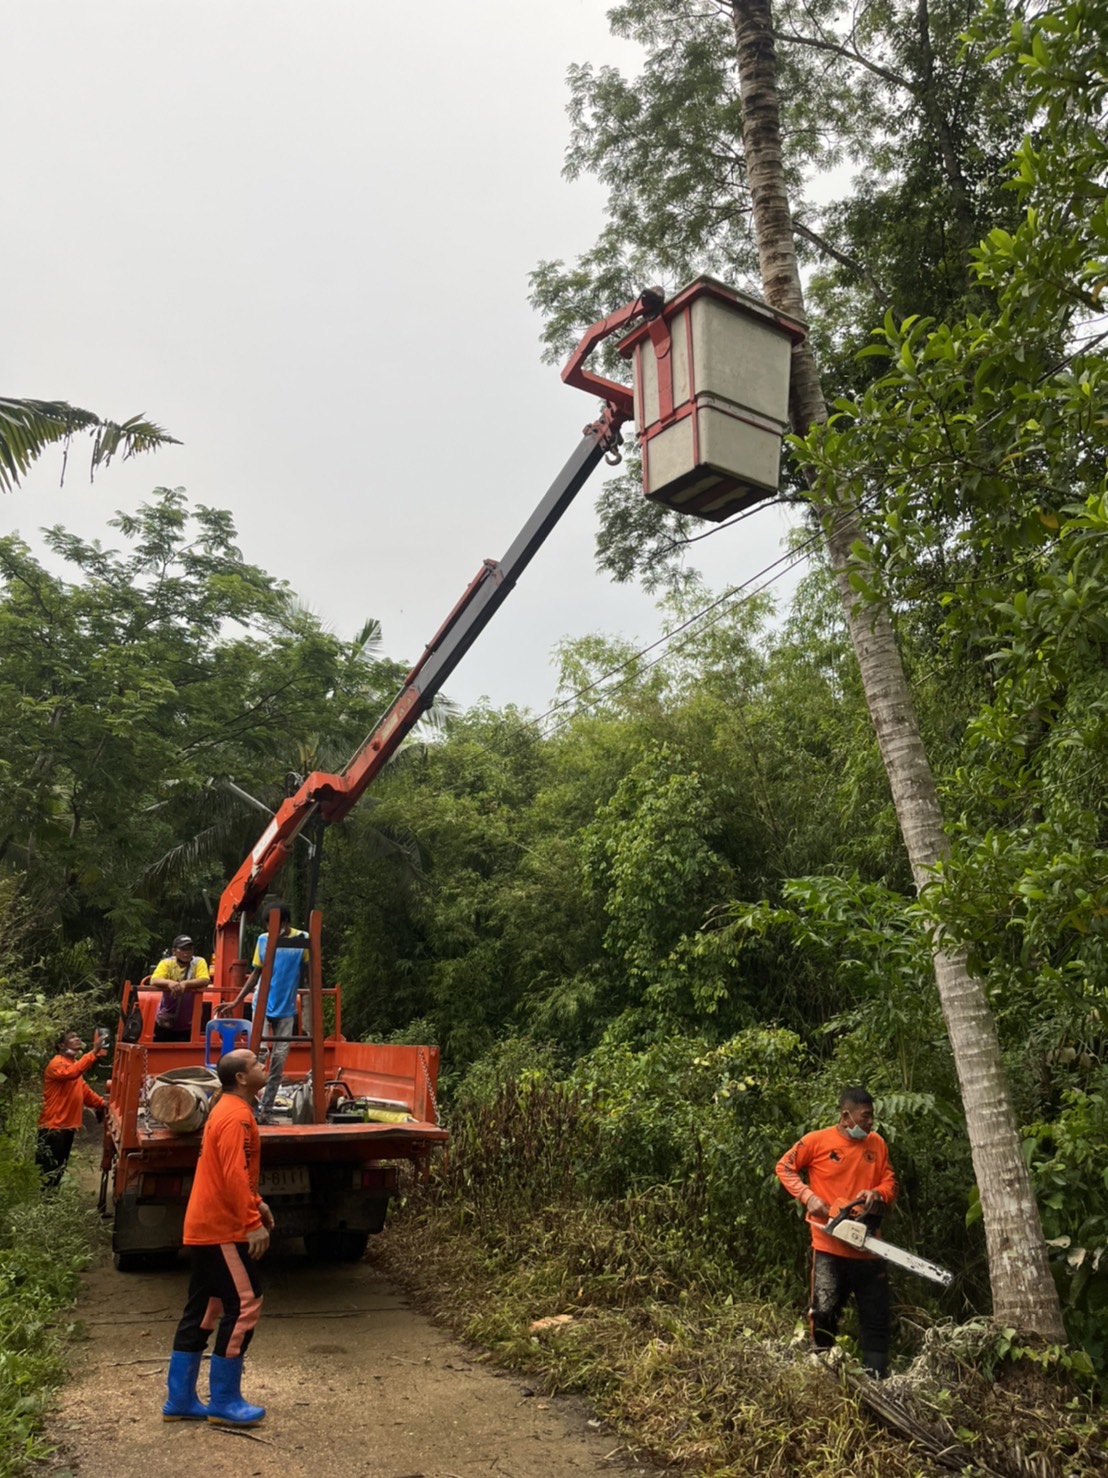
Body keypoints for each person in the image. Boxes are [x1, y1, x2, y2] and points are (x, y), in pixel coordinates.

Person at [162, 1047, 273, 1426]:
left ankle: (180, 1400)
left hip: (206, 1226)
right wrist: (250, 1221)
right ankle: (224, 1401)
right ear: (242, 1078)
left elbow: (234, 1171)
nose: (263, 1066)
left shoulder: (227, 1110)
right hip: (220, 1228)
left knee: (206, 1308)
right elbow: (233, 1174)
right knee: (245, 1304)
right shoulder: (235, 1117)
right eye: (256, 1063)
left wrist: (257, 1204)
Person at [775, 1087, 898, 1377]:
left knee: (876, 1316)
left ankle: (876, 1378)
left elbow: (890, 1181)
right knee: (824, 1311)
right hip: (829, 1246)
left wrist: (877, 1193)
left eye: (871, 1117)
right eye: (865, 1116)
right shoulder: (817, 1141)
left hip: (868, 1245)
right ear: (846, 1116)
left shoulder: (877, 1144)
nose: (869, 1122)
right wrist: (808, 1197)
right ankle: (824, 1370)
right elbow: (785, 1167)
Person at [219, 901, 308, 1123]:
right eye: (268, 925)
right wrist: (237, 1000)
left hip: (287, 1007)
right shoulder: (263, 940)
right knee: (256, 1055)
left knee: (279, 1059)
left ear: (286, 922)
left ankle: (266, 1109)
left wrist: (310, 1012)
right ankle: (248, 1103)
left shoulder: (302, 939)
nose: (271, 929)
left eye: (275, 924)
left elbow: (309, 974)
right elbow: (256, 974)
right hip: (263, 1004)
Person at [35, 1028, 108, 1190]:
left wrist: (102, 1103)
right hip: (53, 1127)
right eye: (72, 1037)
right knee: (49, 1172)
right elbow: (71, 1073)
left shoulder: (74, 1065)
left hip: (66, 1128)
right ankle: (43, 1205)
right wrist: (94, 1052)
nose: (77, 1039)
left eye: (77, 1036)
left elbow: (85, 1092)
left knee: (58, 1170)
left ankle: (49, 1204)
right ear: (61, 1045)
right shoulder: (57, 1064)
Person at [147, 935, 212, 1042]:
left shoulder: (199, 962)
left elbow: (205, 979)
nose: (186, 952)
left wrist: (185, 984)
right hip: (166, 1019)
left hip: (190, 1022)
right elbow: (154, 980)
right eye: (182, 949)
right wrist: (169, 983)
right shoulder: (166, 963)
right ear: (174, 951)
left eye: (189, 949)